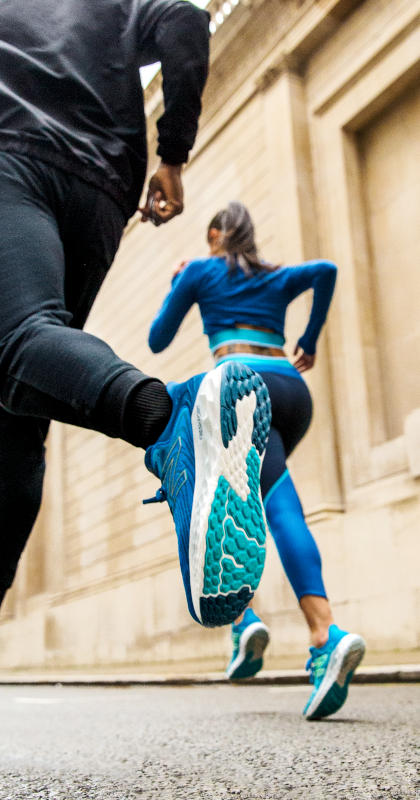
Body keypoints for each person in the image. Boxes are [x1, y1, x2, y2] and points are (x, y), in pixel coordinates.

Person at [0, 0, 272, 724]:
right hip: (101, 183)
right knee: (17, 411)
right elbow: (186, 25)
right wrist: (172, 155)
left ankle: (167, 418)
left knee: (19, 344)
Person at [148, 201, 366, 720]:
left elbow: (157, 338)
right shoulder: (273, 276)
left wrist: (181, 280)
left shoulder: (203, 270)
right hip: (293, 392)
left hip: (244, 389)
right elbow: (326, 272)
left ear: (219, 235)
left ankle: (322, 633)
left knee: (258, 500)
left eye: (209, 239)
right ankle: (245, 623)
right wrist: (308, 341)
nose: (207, 249)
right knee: (256, 492)